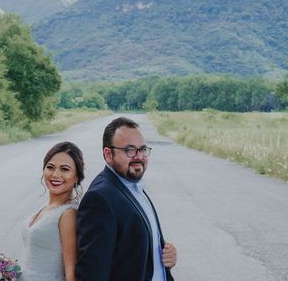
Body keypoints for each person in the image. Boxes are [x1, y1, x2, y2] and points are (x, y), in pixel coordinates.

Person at [76, 117, 177, 281]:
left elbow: (133, 250)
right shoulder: (100, 198)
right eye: (130, 150)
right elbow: (92, 273)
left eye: (142, 149)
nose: (139, 156)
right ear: (108, 154)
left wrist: (165, 256)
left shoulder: (133, 186)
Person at [20, 141, 85, 281]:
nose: (56, 174)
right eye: (50, 167)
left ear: (77, 177)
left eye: (65, 169)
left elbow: (71, 272)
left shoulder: (68, 214)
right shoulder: (47, 207)